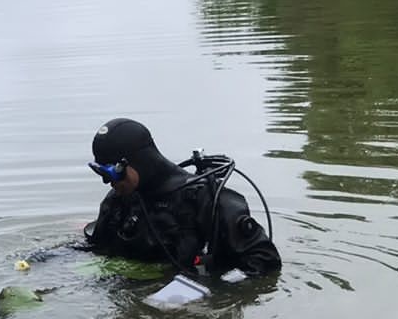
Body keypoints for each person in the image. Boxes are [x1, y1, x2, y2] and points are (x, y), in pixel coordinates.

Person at [83, 117, 281, 278]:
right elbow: (95, 248)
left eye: (113, 174)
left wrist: (212, 294)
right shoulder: (118, 201)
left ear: (137, 162)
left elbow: (265, 261)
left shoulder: (208, 200)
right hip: (139, 297)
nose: (108, 183)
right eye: (101, 174)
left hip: (194, 308)